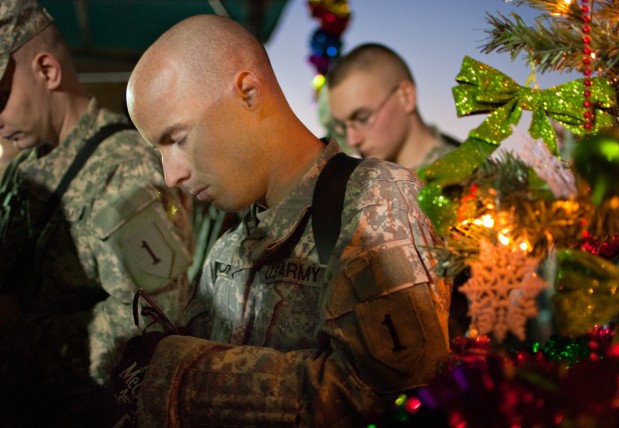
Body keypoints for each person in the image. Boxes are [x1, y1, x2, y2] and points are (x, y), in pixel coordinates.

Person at [121, 13, 452, 427]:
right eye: (160, 151)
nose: (172, 174)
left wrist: (184, 376)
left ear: (247, 92)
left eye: (178, 139)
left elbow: (401, 395)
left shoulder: (374, 199)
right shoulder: (228, 246)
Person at [0, 1, 194, 426]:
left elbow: (153, 322)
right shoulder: (21, 169)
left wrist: (17, 338)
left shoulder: (125, 166)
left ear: (47, 71)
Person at [326, 42, 459, 169]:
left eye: (362, 118)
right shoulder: (376, 184)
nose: (352, 141)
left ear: (406, 96)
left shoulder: (465, 181)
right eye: (343, 126)